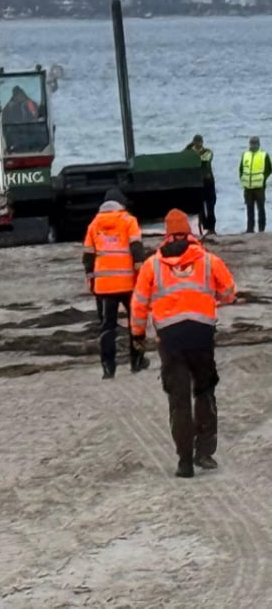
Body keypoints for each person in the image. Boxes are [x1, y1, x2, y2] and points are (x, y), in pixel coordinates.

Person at [131, 209, 236, 478]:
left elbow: (139, 304)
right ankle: (205, 453)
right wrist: (209, 299)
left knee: (178, 400)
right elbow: (229, 292)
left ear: (166, 234)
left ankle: (185, 462)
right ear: (189, 232)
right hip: (201, 335)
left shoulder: (152, 265)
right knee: (204, 392)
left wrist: (137, 335)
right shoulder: (209, 260)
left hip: (170, 339)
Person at [83, 188, 148, 379]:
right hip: (128, 283)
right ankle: (137, 360)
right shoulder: (129, 221)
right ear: (121, 203)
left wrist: (91, 279)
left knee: (107, 326)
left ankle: (108, 367)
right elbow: (137, 250)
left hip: (104, 285)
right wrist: (141, 276)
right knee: (136, 323)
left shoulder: (94, 224)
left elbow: (88, 257)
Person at [239, 135, 272, 233]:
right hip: (248, 187)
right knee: (249, 208)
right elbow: (241, 169)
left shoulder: (264, 155)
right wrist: (243, 179)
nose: (253, 145)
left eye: (255, 143)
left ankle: (261, 229)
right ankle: (250, 229)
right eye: (251, 143)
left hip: (259, 187)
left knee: (260, 208)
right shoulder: (245, 155)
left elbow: (269, 169)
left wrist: (263, 178)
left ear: (258, 144)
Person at [184, 134, 215, 235]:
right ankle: (204, 228)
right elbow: (181, 157)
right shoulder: (189, 152)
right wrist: (188, 147)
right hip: (197, 183)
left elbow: (202, 159)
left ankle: (211, 228)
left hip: (208, 183)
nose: (198, 144)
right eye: (196, 142)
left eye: (200, 142)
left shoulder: (207, 152)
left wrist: (192, 154)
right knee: (200, 208)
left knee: (210, 206)